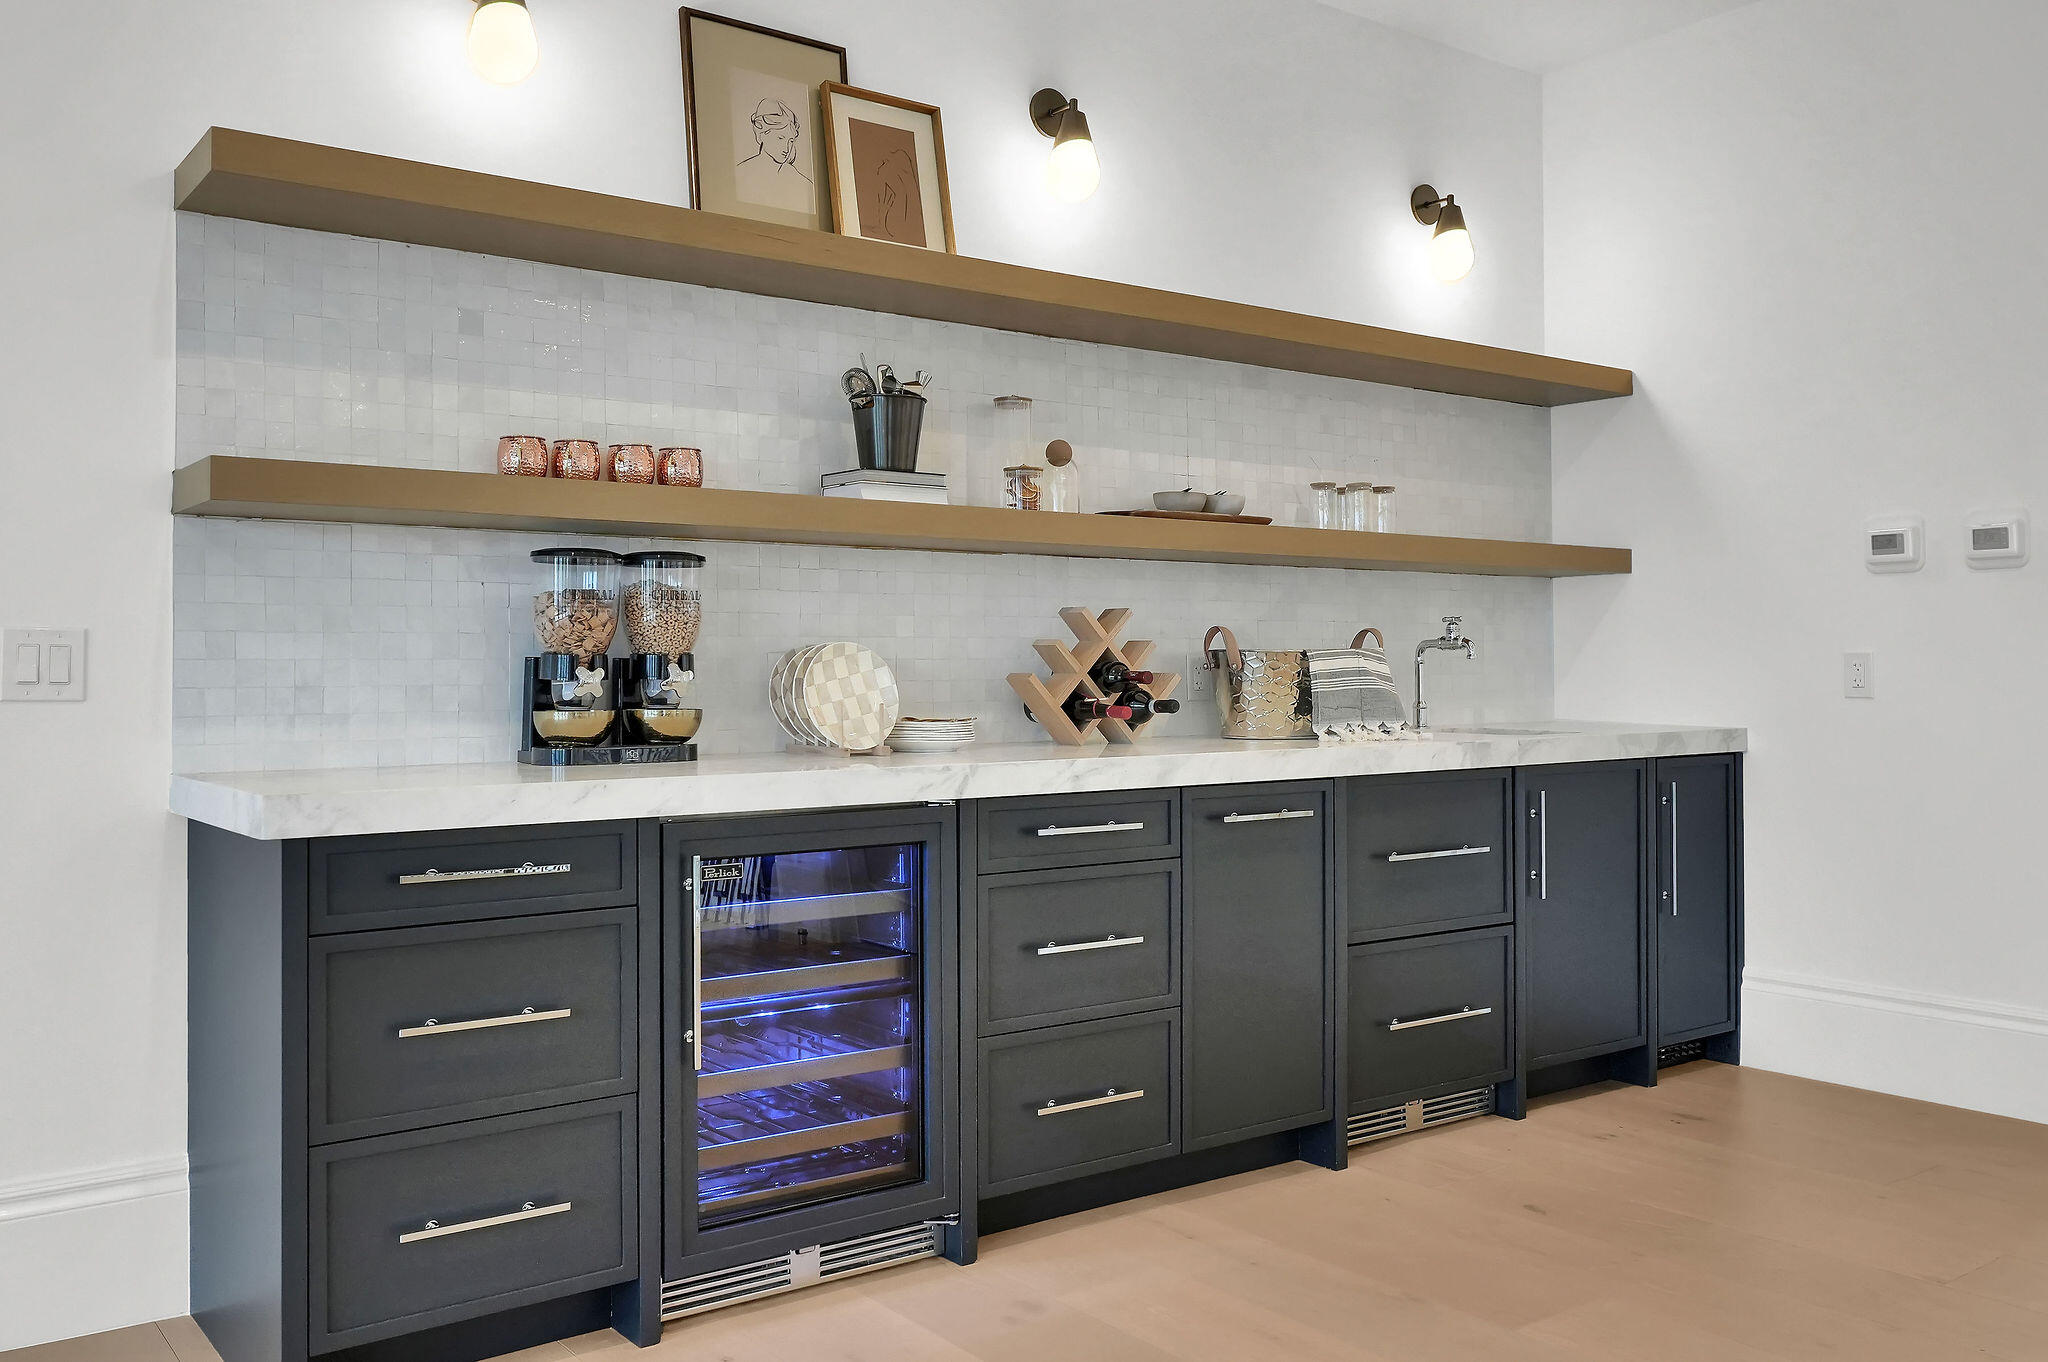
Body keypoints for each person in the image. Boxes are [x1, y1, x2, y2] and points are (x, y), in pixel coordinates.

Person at [734, 97, 810, 211]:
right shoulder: (741, 173)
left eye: (791, 141)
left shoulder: (801, 182)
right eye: (780, 138)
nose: (787, 148)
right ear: (762, 135)